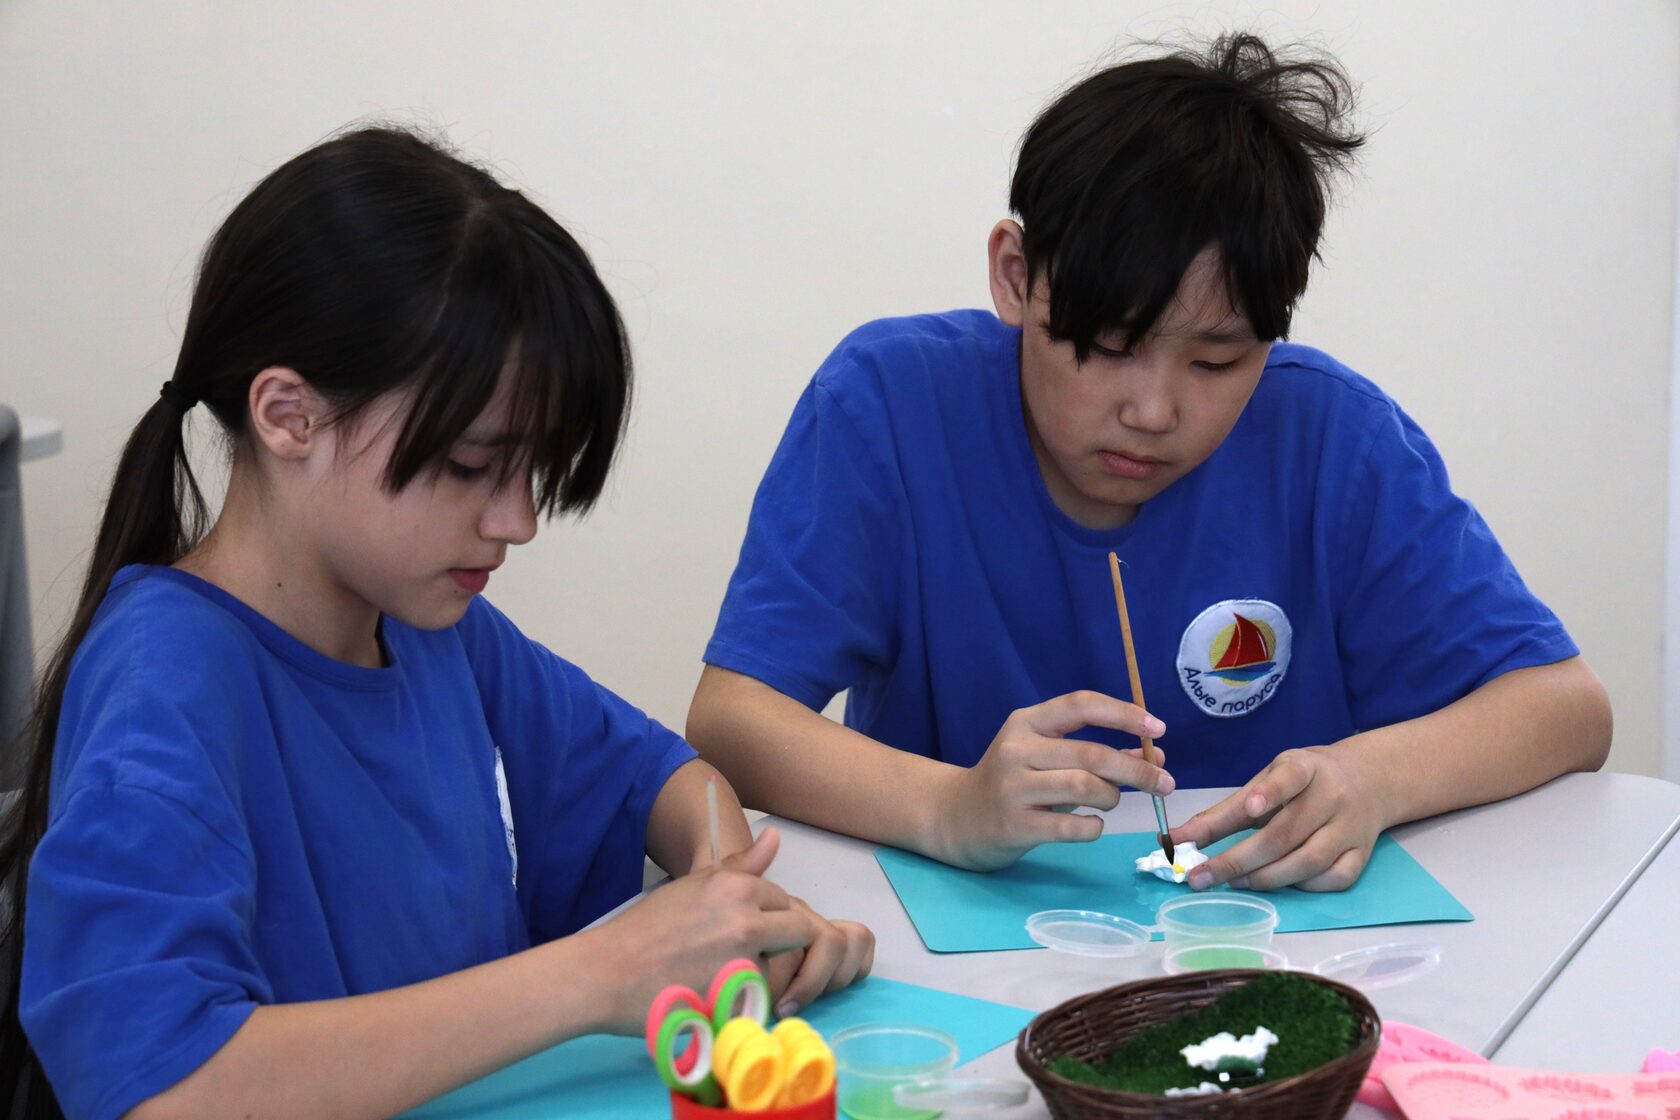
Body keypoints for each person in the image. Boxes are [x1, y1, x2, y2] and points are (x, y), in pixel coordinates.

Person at [0, 127, 872, 1120]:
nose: (519, 521)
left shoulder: (433, 626)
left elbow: (660, 775)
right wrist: (597, 975)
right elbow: (161, 1087)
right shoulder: (166, 685)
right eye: (471, 466)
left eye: (535, 471)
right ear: (288, 415)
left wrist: (726, 900)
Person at [687, 34, 1611, 889]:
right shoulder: (890, 405)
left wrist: (1378, 776)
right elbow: (733, 718)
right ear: (1016, 276)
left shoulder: (1333, 439)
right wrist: (947, 806)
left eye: (1217, 363)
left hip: (1271, 947)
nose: (1154, 412)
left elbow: (1569, 709)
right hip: (970, 952)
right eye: (1110, 345)